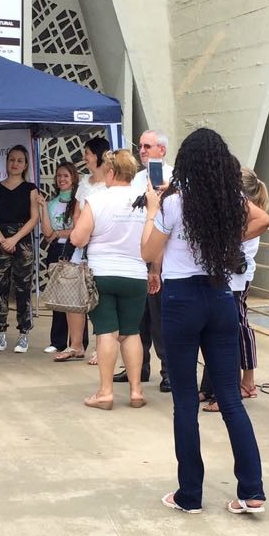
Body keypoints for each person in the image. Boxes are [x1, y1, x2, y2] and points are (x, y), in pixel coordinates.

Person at [142, 127, 269, 515]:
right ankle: (252, 490)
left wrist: (152, 209)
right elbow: (263, 219)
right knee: (230, 398)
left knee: (185, 401)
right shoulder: (230, 200)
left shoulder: (173, 203)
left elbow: (147, 251)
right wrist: (226, 238)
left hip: (181, 299)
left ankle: (190, 494)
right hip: (219, 296)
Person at [70, 150, 149, 409]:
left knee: (106, 331)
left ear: (112, 172)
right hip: (136, 273)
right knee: (131, 332)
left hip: (102, 273)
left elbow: (78, 238)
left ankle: (105, 392)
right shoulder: (145, 201)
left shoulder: (97, 199)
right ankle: (136, 391)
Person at [197, 166, 269, 412]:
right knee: (214, 332)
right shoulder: (234, 208)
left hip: (235, 281)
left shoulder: (246, 211)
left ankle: (232, 389)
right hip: (224, 279)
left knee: (229, 333)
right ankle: (210, 386)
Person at [122, 129, 172, 392]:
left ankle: (168, 371)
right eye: (140, 146)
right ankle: (138, 367)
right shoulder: (136, 179)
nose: (142, 150)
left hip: (161, 256)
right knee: (137, 316)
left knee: (160, 317)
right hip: (136, 253)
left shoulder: (173, 178)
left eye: (147, 146)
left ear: (161, 150)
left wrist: (156, 265)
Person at [0, 145, 40, 353]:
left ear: (25, 165)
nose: (15, 164)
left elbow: (34, 218)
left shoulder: (31, 188)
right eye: (12, 160)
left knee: (23, 288)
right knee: (0, 287)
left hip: (22, 242)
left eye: (19, 160)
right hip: (0, 240)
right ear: (6, 162)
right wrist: (2, 240)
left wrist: (14, 239)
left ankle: (24, 333)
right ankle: (0, 331)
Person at [41, 160, 88, 356]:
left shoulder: (79, 201)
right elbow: (47, 233)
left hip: (74, 250)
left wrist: (59, 233)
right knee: (58, 298)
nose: (62, 179)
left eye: (66, 176)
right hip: (56, 251)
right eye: (59, 176)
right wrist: (43, 207)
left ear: (73, 178)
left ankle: (78, 342)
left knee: (77, 299)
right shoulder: (52, 203)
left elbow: (79, 229)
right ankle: (58, 341)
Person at [73, 137, 113, 366]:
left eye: (87, 153)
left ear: (98, 155)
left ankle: (102, 347)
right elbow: (77, 214)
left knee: (100, 299)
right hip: (82, 245)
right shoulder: (84, 182)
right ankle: (76, 344)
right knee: (78, 295)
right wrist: (80, 235)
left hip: (102, 246)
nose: (84, 157)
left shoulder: (110, 183)